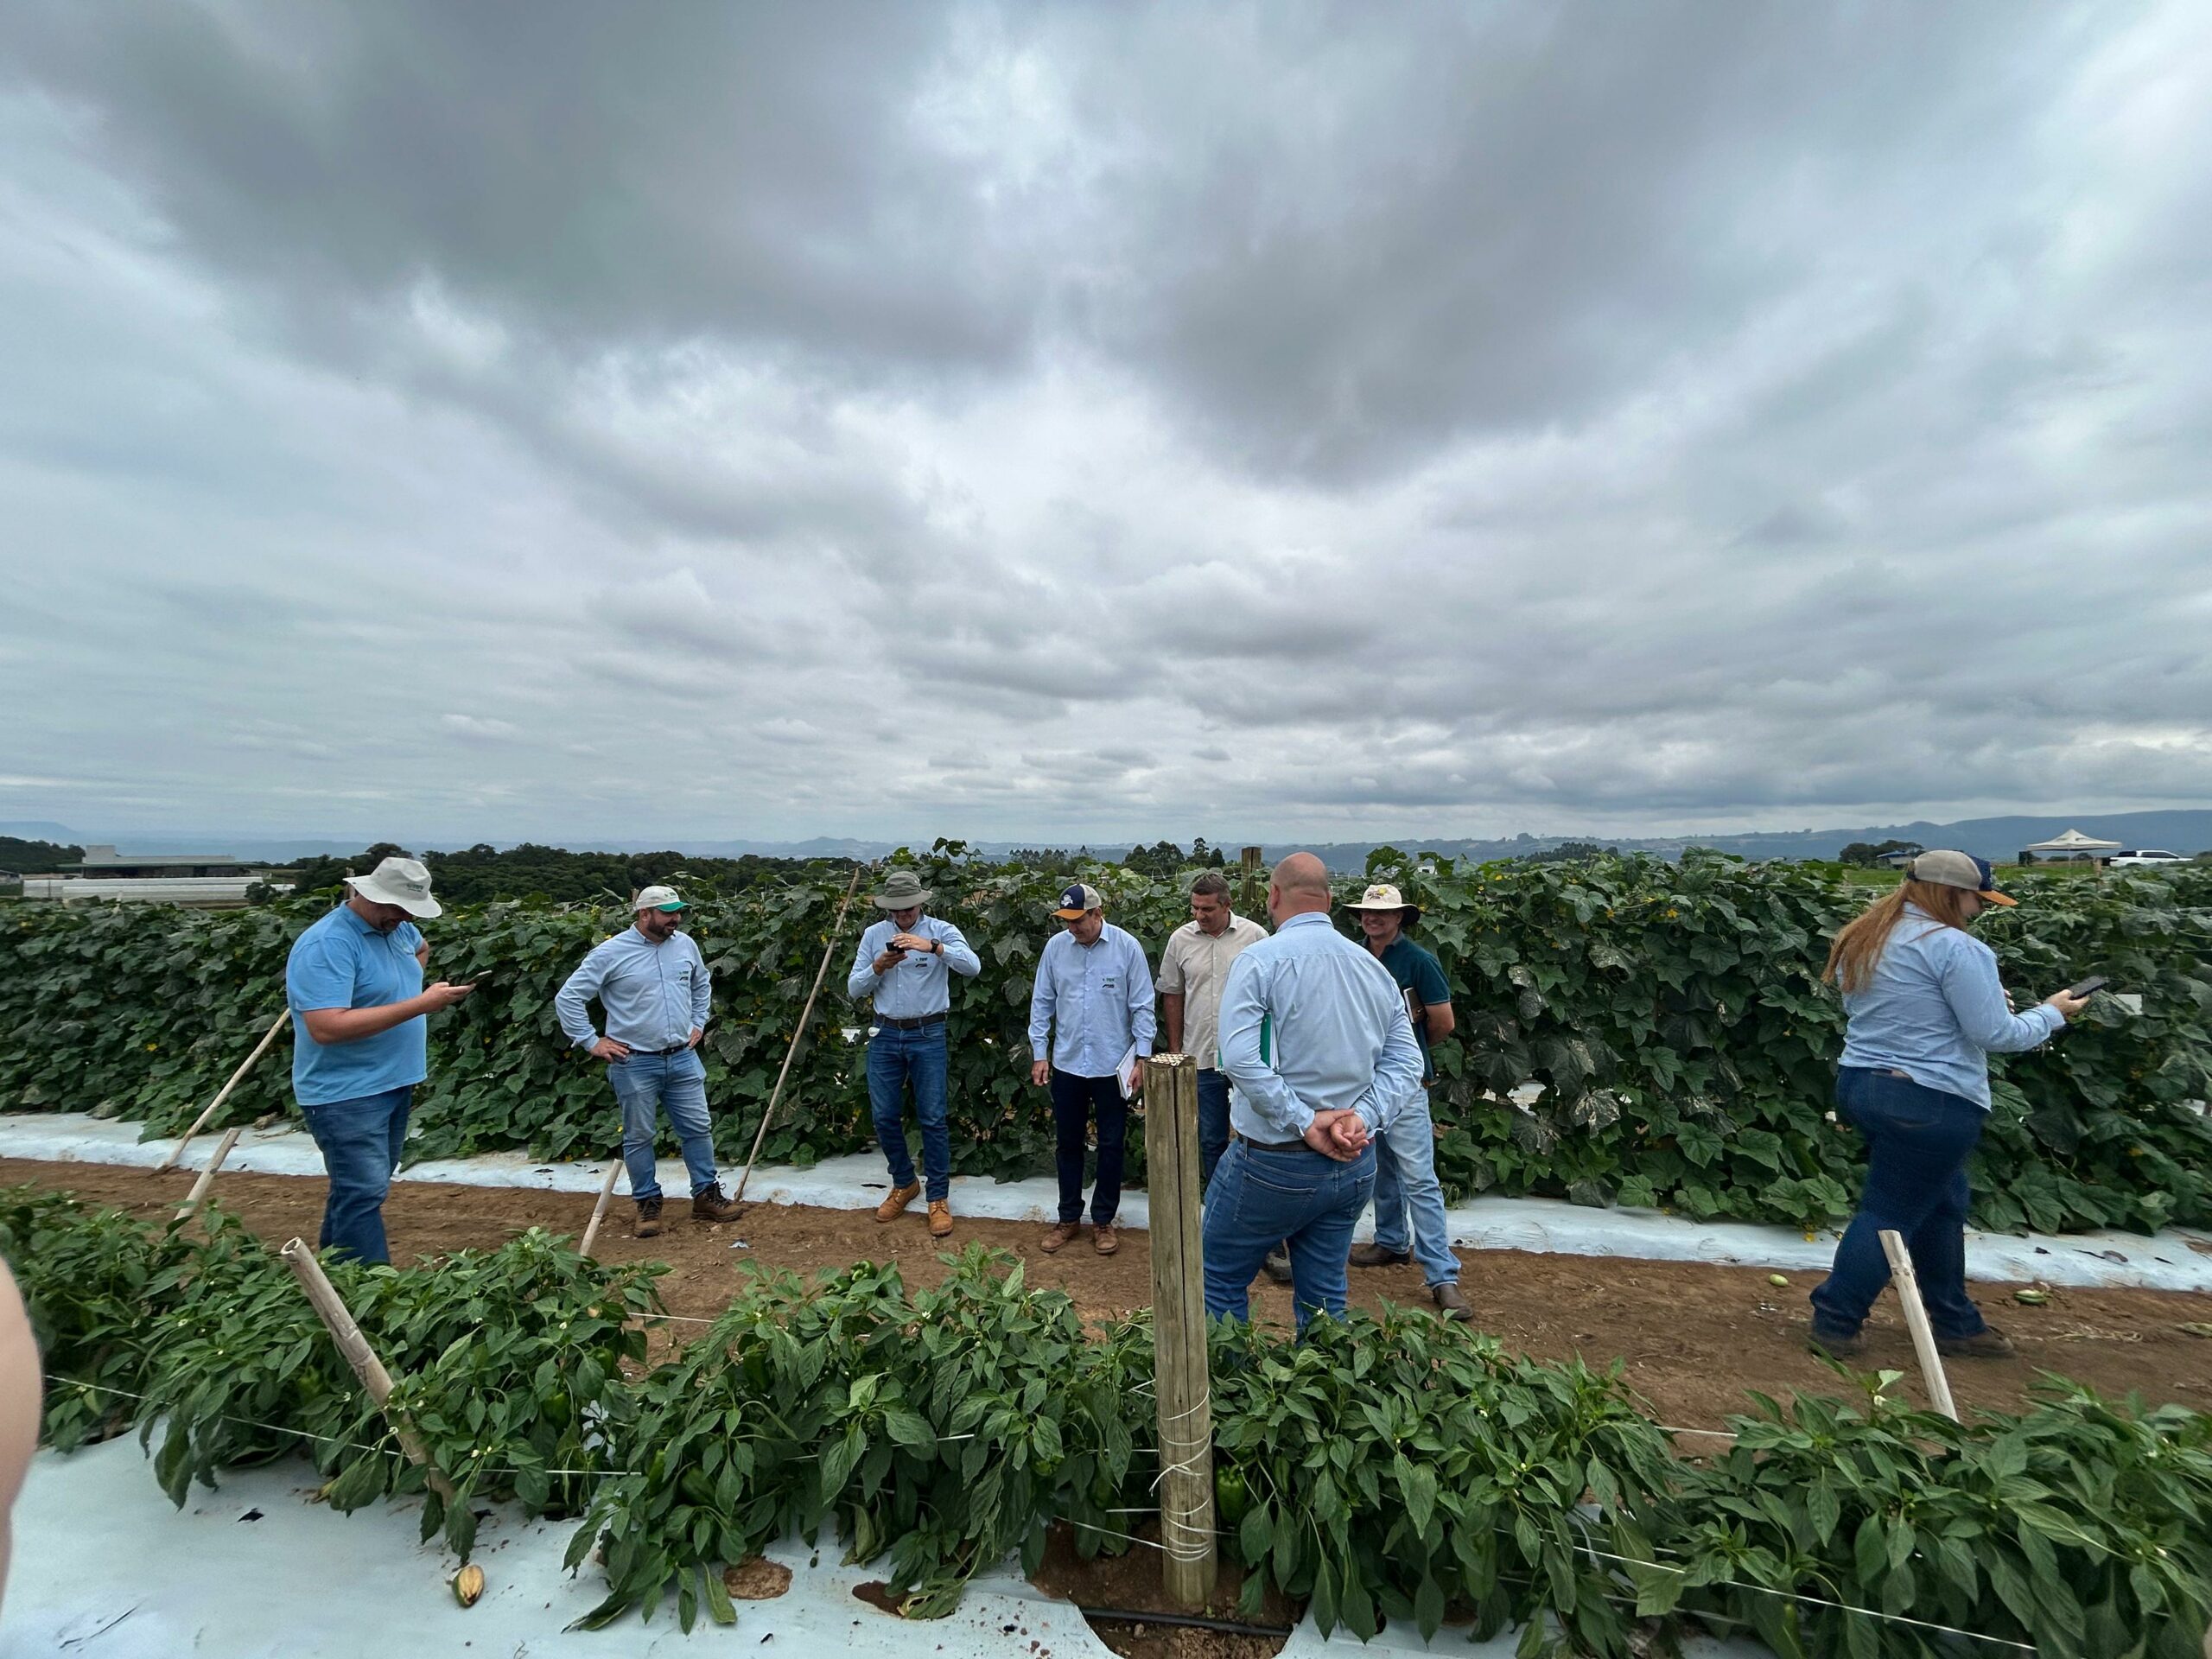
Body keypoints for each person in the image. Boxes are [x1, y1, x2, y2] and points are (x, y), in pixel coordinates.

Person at [1807, 851, 2091, 1358]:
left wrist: (1979, 1001)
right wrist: (2051, 1013)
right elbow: (1997, 1035)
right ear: (1949, 893)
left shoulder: (1867, 937)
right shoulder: (1957, 948)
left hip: (1863, 1085)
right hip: (1928, 1099)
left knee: (1942, 1202)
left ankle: (1956, 1321)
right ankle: (1836, 1320)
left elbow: (1895, 1009)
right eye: (1977, 899)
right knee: (1888, 1212)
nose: (1980, 909)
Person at [1205, 854, 1424, 1332]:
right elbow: (1409, 1062)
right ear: (1327, 900)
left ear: (1274, 897)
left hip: (1271, 1163)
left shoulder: (1259, 961)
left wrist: (1305, 1122)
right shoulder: (1372, 968)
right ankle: (1325, 1394)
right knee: (1325, 1296)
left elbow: (1240, 1059)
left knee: (1219, 1279)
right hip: (1352, 1162)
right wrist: (1359, 1119)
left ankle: (1229, 1396)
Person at [286, 855, 476, 1263]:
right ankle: (371, 1288)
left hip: (391, 1082)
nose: (403, 916)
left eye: (409, 910)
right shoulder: (329, 944)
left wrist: (406, 990)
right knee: (363, 1191)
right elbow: (326, 1027)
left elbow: (421, 948)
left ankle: (337, 1278)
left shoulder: (399, 929)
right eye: (395, 907)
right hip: (345, 1093)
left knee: (358, 1190)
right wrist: (419, 1004)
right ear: (367, 894)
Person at [556, 885, 741, 1238]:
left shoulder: (685, 945)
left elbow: (701, 984)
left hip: (682, 1057)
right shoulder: (610, 953)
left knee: (698, 1128)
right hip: (634, 1061)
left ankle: (705, 1195)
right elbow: (568, 998)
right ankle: (647, 1203)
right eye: (668, 913)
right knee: (640, 1135)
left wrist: (698, 1022)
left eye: (678, 912)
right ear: (644, 915)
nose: (676, 919)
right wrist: (591, 1041)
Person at [1342, 882, 1471, 1320]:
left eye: (1381, 913)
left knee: (1418, 1176)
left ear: (1400, 918)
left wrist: (1411, 1056)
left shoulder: (1419, 961)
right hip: (1363, 1080)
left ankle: (1442, 1275)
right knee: (1379, 1166)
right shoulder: (1354, 956)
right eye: (1366, 912)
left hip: (1404, 1085)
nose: (1372, 919)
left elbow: (1442, 1023)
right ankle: (1392, 1242)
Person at [846, 868, 982, 1238]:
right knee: (884, 1115)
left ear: (920, 904)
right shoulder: (874, 935)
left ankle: (938, 1198)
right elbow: (855, 988)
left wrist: (934, 948)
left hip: (929, 1032)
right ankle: (905, 1182)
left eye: (909, 908)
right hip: (886, 1033)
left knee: (933, 1117)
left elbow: (973, 966)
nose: (903, 915)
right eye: (897, 909)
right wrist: (878, 967)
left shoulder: (941, 930)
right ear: (889, 908)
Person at [1027, 881, 1155, 1256]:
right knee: (1068, 1143)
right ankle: (1068, 1218)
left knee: (1112, 1145)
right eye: (1067, 921)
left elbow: (1143, 1006)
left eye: (1079, 920)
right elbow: (1041, 1002)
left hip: (1111, 1065)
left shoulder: (1126, 948)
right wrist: (1040, 1052)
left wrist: (1143, 1059)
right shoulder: (1056, 949)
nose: (1073, 928)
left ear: (1098, 915)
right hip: (1068, 1064)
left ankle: (1103, 1221)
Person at [1156, 871, 1268, 1189]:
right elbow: (1172, 993)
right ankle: (1217, 1197)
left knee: (1256, 1134)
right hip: (1202, 1054)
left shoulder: (1255, 937)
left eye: (1207, 909)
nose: (1199, 915)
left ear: (1226, 905)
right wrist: (1177, 1049)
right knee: (1210, 1136)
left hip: (1247, 1055)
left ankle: (1252, 1197)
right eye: (1195, 908)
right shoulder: (1180, 940)